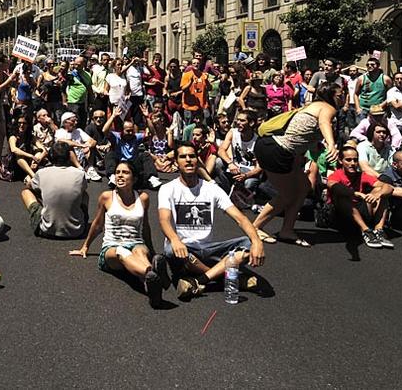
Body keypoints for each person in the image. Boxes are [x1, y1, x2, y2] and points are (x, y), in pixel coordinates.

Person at [156, 144, 265, 300]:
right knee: (170, 250)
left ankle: (200, 280)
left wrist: (257, 242)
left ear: (198, 161)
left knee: (249, 244)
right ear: (176, 163)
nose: (188, 160)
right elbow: (164, 219)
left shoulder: (212, 189)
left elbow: (240, 218)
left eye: (192, 156)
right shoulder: (168, 189)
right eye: (183, 157)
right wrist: (174, 239)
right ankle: (224, 276)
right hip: (185, 250)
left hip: (208, 250)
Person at [252, 82, 343, 247]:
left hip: (276, 148)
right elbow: (324, 123)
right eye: (340, 95)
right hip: (277, 150)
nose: (343, 97)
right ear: (330, 96)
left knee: (302, 187)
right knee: (287, 194)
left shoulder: (312, 106)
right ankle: (255, 228)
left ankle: (287, 229)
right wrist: (331, 144)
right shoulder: (327, 108)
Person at [69, 161, 165, 307]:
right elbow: (97, 224)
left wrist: (151, 250)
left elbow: (145, 226)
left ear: (134, 178)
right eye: (118, 172)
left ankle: (150, 283)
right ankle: (151, 273)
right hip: (112, 248)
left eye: (125, 173)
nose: (120, 176)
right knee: (122, 252)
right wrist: (85, 246)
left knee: (140, 251)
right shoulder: (107, 197)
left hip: (136, 242)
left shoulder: (143, 198)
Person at [325, 146, 393, 249]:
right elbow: (333, 185)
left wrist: (377, 194)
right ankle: (365, 231)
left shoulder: (362, 175)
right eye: (348, 160)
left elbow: (388, 187)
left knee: (382, 192)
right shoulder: (336, 175)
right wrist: (355, 193)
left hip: (359, 210)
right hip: (340, 215)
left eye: (355, 160)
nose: (352, 163)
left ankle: (379, 230)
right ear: (340, 161)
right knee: (343, 196)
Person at [20, 142, 89, 239]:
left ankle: (44, 217)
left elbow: (31, 186)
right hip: (76, 231)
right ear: (69, 156)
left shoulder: (42, 173)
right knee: (84, 194)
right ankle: (78, 218)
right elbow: (82, 189)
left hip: (47, 230)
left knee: (26, 192)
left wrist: (29, 182)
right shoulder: (80, 174)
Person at [101, 108, 162, 190]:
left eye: (132, 131)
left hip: (133, 164)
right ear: (122, 130)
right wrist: (113, 116)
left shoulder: (136, 137)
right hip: (120, 163)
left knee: (145, 155)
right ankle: (112, 177)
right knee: (110, 154)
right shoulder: (116, 136)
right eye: (128, 131)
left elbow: (152, 132)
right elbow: (104, 130)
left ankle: (152, 178)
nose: (130, 133)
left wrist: (147, 118)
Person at [213, 110, 263, 204]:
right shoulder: (232, 132)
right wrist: (230, 163)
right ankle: (229, 191)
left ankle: (245, 193)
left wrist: (245, 176)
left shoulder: (258, 141)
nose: (238, 123)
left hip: (249, 171)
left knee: (249, 184)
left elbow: (259, 168)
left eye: (242, 121)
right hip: (235, 166)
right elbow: (221, 150)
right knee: (219, 162)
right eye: (238, 120)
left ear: (251, 123)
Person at [6, 114, 48, 181]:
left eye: (24, 123)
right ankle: (33, 176)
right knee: (19, 156)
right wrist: (31, 156)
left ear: (28, 125)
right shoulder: (13, 137)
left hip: (29, 164)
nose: (21, 125)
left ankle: (29, 175)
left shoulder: (31, 137)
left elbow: (44, 150)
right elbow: (14, 150)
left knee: (38, 151)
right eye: (19, 123)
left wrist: (37, 160)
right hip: (14, 165)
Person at [355, 57, 392, 123]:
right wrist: (358, 108)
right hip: (363, 110)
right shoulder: (361, 78)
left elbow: (392, 95)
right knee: (363, 131)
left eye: (372, 64)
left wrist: (382, 105)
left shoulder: (385, 79)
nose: (369, 66)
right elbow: (356, 94)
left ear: (378, 66)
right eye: (368, 65)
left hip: (379, 110)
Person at [180, 58, 211, 125]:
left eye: (197, 63)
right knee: (189, 126)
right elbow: (183, 89)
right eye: (194, 63)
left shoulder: (203, 75)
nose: (196, 65)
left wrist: (206, 80)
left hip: (201, 106)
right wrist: (190, 82)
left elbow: (209, 88)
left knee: (202, 127)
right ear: (191, 65)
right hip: (189, 106)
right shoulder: (186, 75)